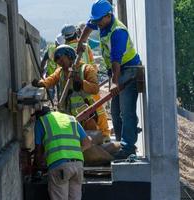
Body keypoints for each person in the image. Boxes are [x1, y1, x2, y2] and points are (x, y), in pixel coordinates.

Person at [77, 0, 142, 159]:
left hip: (127, 69)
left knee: (126, 111)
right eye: (96, 20)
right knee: (115, 111)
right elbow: (89, 25)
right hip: (116, 71)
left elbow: (116, 59)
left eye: (100, 20)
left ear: (108, 15)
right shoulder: (101, 21)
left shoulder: (118, 31)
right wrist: (81, 41)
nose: (97, 23)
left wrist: (115, 81)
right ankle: (120, 143)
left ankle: (128, 148)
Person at [32, 45, 100, 133]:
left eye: (62, 60)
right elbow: (50, 80)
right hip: (67, 116)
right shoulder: (60, 71)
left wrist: (81, 83)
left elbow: (95, 89)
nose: (61, 64)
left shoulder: (86, 69)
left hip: (86, 116)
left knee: (89, 140)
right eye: (58, 62)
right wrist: (41, 83)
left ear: (70, 56)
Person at [61, 24, 111, 142]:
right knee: (98, 109)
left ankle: (81, 138)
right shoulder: (85, 46)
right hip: (88, 82)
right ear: (76, 33)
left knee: (76, 112)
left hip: (73, 86)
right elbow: (93, 65)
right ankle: (104, 135)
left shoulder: (64, 50)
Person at [33, 106, 92, 200]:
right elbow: (88, 142)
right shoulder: (71, 119)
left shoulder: (41, 121)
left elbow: (38, 152)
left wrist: (37, 168)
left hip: (59, 166)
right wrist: (73, 152)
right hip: (78, 166)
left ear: (39, 115)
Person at [40, 34, 64, 99]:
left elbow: (44, 61)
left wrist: (41, 71)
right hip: (53, 74)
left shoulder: (63, 50)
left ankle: (58, 104)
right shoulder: (51, 49)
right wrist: (41, 71)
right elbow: (44, 60)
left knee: (60, 92)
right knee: (53, 93)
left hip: (59, 75)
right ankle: (53, 103)